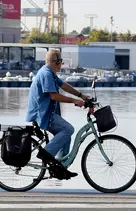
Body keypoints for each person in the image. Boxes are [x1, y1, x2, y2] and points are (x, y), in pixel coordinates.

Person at [25, 49, 90, 179]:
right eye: (60, 61)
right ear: (56, 62)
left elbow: (63, 85)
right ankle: (47, 153)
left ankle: (59, 167)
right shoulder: (46, 74)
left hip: (46, 114)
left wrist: (81, 95)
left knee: (66, 136)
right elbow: (54, 96)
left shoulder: (50, 73)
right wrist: (74, 101)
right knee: (69, 129)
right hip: (42, 115)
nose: (61, 64)